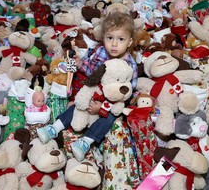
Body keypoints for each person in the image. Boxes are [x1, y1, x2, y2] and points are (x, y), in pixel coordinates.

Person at [37, 11, 137, 162]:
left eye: (121, 39)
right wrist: (80, 64)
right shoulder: (101, 52)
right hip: (92, 91)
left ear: (129, 42)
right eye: (110, 38)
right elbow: (90, 71)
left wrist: (103, 106)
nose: (114, 44)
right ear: (104, 38)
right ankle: (54, 127)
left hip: (111, 101)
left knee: (110, 117)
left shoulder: (129, 64)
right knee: (77, 105)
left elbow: (128, 91)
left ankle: (86, 142)